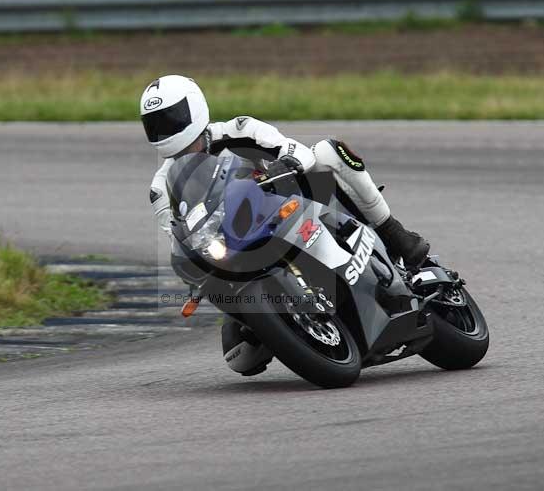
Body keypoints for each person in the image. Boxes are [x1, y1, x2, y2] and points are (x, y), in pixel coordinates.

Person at [140, 74, 430, 376]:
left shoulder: (239, 130)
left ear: (195, 108)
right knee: (241, 358)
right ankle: (285, 319)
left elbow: (294, 150)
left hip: (290, 204)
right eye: (155, 124)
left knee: (328, 152)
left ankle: (394, 234)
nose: (165, 130)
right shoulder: (161, 188)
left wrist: (284, 165)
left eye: (171, 118)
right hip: (235, 249)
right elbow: (177, 234)